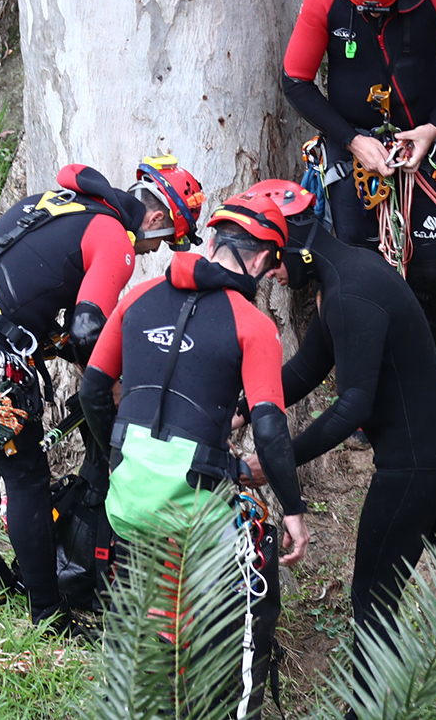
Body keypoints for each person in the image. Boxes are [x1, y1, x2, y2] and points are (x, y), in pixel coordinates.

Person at [240, 179, 436, 708]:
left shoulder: (349, 294)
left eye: (269, 258)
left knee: (372, 598)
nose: (268, 271)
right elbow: (308, 368)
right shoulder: (348, 274)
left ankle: (364, 708)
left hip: (413, 460)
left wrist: (277, 460)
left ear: (292, 244)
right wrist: (242, 399)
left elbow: (353, 406)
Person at [0, 157, 205, 632]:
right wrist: (108, 386)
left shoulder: (57, 202)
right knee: (26, 480)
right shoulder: (114, 239)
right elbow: (86, 330)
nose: (149, 253)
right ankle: (46, 612)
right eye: (162, 243)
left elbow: (31, 286)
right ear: (157, 219)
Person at [79, 189, 309, 719]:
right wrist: (294, 511)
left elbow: (93, 389)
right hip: (191, 512)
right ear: (258, 259)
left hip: (126, 501)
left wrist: (119, 458)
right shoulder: (253, 326)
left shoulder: (138, 297)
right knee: (253, 590)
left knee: (144, 596)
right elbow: (270, 428)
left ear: (211, 240)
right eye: (270, 263)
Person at [282, 0, 436, 352]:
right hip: (353, 154)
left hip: (424, 152)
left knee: (427, 273)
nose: (376, 17)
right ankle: (362, 382)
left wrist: (433, 129)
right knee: (355, 270)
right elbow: (296, 80)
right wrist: (352, 140)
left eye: (384, 9)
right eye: (367, 10)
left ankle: (424, 374)